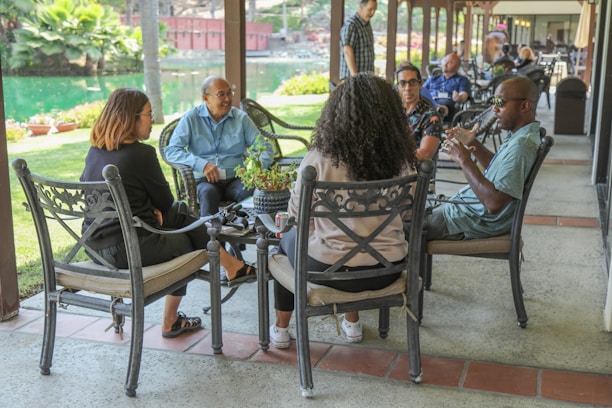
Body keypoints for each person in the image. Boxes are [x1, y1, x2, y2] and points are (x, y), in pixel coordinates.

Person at [80, 88, 257, 339]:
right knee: (188, 238)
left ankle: (231, 266)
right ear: (131, 118)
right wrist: (155, 212)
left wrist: (153, 212)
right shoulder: (142, 154)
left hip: (94, 245)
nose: (152, 119)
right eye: (149, 114)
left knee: (181, 216)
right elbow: (165, 202)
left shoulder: (94, 152)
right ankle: (173, 318)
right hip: (126, 249)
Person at [269, 74, 418, 348]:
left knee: (284, 242)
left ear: (337, 113)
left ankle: (280, 329)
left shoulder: (318, 162)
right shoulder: (403, 164)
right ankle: (352, 323)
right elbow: (407, 215)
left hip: (330, 272)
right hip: (388, 269)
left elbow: (296, 219)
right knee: (356, 238)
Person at [425, 77, 541, 241]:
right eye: (494, 101)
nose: (494, 109)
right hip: (465, 210)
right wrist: (473, 143)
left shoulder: (522, 145)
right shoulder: (519, 135)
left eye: (500, 102)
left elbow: (493, 204)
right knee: (407, 210)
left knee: (395, 228)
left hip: (470, 221)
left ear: (524, 105)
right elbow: (498, 170)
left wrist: (464, 160)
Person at [164, 75, 274, 217]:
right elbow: (172, 151)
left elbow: (264, 147)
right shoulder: (191, 119)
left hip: (235, 179)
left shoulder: (241, 119)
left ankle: (243, 235)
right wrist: (201, 164)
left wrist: (257, 170)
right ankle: (210, 237)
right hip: (205, 181)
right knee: (207, 193)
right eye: (221, 94)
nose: (228, 99)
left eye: (229, 93)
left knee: (250, 191)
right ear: (205, 98)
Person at [396, 62, 443, 161]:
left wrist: (390, 162)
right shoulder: (392, 112)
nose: (408, 88)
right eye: (403, 83)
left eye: (412, 82)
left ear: (420, 84)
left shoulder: (431, 117)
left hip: (410, 172)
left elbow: (425, 153)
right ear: (398, 86)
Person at [422, 52, 472, 120]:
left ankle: (438, 109)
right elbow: (421, 91)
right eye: (445, 61)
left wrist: (459, 97)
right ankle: (433, 108)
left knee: (445, 103)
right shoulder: (433, 79)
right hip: (429, 102)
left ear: (457, 67)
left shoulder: (461, 80)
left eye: (450, 63)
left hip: (447, 107)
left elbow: (464, 94)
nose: (445, 64)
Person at [339, 0, 377, 80]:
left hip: (366, 78)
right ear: (361, 7)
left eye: (374, 9)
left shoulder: (367, 25)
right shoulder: (352, 25)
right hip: (352, 79)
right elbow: (347, 51)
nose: (372, 13)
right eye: (370, 9)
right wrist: (355, 77)